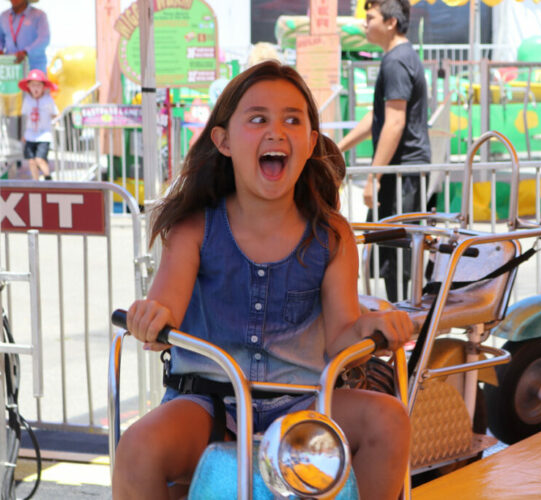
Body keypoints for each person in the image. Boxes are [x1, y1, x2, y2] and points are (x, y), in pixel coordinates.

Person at [113, 61, 413, 500]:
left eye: (292, 120)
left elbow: (342, 335)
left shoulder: (331, 235)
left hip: (306, 406)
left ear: (310, 143)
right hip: (207, 402)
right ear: (224, 141)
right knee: (138, 447)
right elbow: (166, 309)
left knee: (389, 419)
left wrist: (370, 327)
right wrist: (151, 317)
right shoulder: (194, 228)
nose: (276, 131)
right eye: (258, 119)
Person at [337, 0, 431, 302]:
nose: (365, 24)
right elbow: (377, 117)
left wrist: (374, 177)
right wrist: (338, 148)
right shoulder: (397, 57)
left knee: (399, 256)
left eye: (370, 17)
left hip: (401, 171)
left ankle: (406, 328)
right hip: (401, 171)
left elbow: (394, 122)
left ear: (390, 22)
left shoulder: (396, 61)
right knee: (392, 253)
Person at [18, 68, 56, 180]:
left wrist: (56, 124)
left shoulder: (48, 100)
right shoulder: (27, 100)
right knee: (31, 161)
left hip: (44, 135)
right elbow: (24, 117)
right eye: (33, 85)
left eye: (38, 85)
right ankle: (36, 183)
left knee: (40, 159)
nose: (36, 88)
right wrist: (23, 134)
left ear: (43, 87)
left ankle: (48, 179)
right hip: (30, 134)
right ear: (28, 86)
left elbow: (55, 113)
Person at [0, 0, 50, 72]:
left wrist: (26, 52)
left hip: (34, 67)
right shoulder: (4, 16)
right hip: (11, 68)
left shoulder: (39, 15)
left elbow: (44, 39)